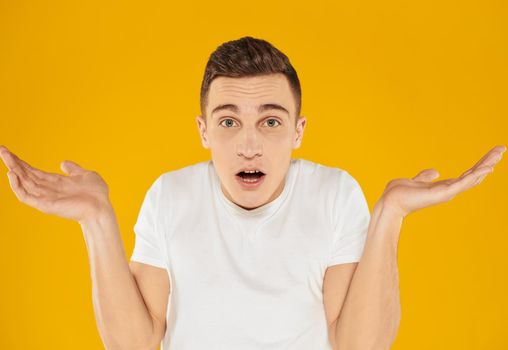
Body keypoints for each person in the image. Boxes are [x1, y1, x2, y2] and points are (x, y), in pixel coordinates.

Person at [0, 36, 505, 350]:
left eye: (270, 121)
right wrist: (96, 220)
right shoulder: (170, 196)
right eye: (228, 121)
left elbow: (359, 345)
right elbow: (134, 344)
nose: (248, 144)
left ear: (298, 131)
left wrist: (391, 214)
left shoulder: (334, 194)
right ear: (203, 131)